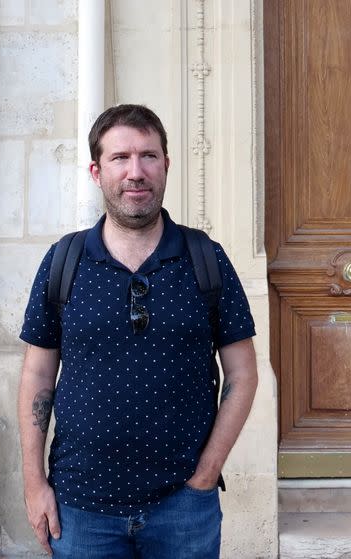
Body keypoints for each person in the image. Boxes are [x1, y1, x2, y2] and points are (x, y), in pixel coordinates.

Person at [17, 104, 258, 558]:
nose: (136, 171)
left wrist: (206, 476)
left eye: (148, 156)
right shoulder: (63, 262)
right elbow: (37, 376)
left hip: (183, 509)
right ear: (96, 170)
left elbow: (243, 374)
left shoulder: (206, 258)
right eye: (120, 157)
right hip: (80, 507)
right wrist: (34, 483)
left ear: (166, 165)